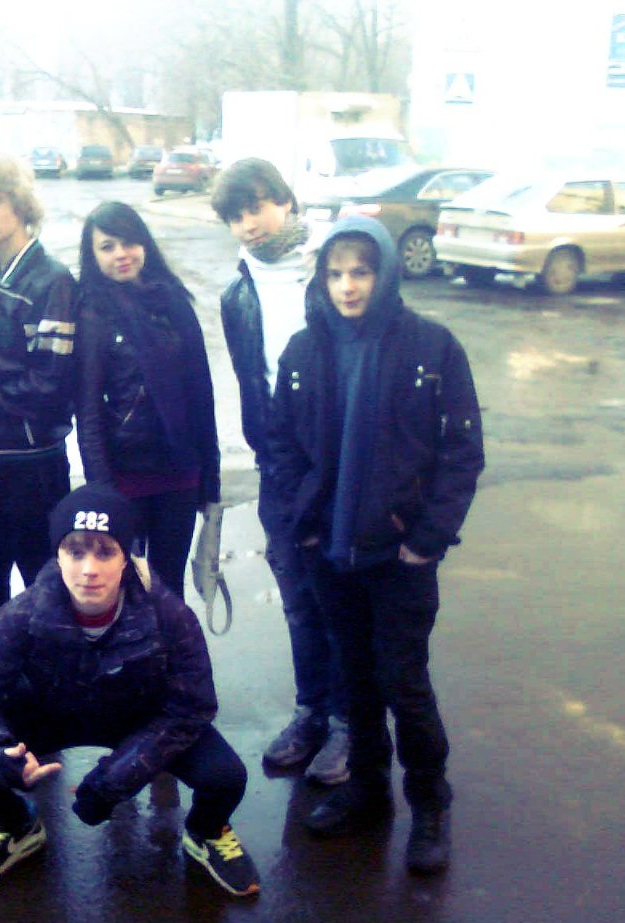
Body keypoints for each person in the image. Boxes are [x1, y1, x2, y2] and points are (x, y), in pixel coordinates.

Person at [266, 216, 484, 874]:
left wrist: (427, 540)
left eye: (361, 272)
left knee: (404, 685)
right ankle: (367, 791)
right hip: (331, 556)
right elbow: (280, 446)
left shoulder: (432, 347)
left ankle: (430, 805)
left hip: (398, 558)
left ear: (384, 273)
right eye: (336, 273)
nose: (348, 286)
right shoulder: (304, 351)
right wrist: (303, 524)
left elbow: (461, 453)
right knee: (355, 683)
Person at [0, 484, 260, 897]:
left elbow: (192, 707)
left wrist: (114, 779)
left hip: (138, 715)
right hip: (52, 710)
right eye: (75, 552)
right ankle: (15, 826)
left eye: (105, 552)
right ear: (57, 556)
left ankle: (206, 831)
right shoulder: (23, 612)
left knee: (226, 777)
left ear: (126, 557)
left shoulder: (168, 614)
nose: (89, 569)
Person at [211, 158, 350, 785]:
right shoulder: (237, 295)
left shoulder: (331, 271)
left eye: (258, 207)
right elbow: (252, 378)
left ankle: (349, 724)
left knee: (343, 601)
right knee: (298, 600)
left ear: (286, 203)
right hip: (279, 466)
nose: (250, 223)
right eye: (236, 215)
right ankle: (311, 712)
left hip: (341, 464)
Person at [0, 153, 78, 641]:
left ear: (20, 204)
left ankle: (49, 679)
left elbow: (49, 386)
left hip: (34, 464)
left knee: (46, 589)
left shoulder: (52, 280)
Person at [75, 201, 220, 597]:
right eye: (107, 247)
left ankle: (173, 642)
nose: (121, 254)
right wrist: (103, 491)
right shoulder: (92, 314)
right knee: (128, 589)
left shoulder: (173, 303)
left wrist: (211, 481)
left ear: (145, 244)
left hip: (180, 472)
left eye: (129, 242)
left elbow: (201, 395)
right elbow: (88, 413)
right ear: (92, 255)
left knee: (169, 587)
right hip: (125, 477)